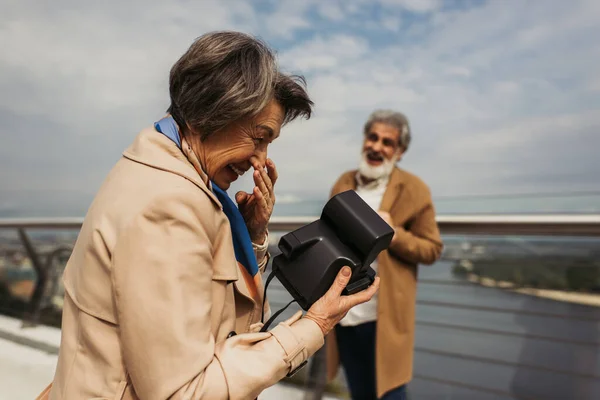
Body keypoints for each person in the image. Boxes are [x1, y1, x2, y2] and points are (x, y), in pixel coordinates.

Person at [39, 31, 379, 400]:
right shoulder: (168, 206)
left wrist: (248, 236)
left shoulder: (163, 169)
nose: (260, 161)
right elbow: (184, 391)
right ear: (215, 110)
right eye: (259, 137)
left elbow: (198, 297)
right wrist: (314, 325)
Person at [325, 110, 443, 400]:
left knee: (390, 393)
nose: (377, 147)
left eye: (387, 142)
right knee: (359, 393)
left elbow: (432, 249)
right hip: (345, 313)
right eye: (373, 137)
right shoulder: (343, 183)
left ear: (399, 151)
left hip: (384, 318)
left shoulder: (415, 190)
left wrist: (395, 234)